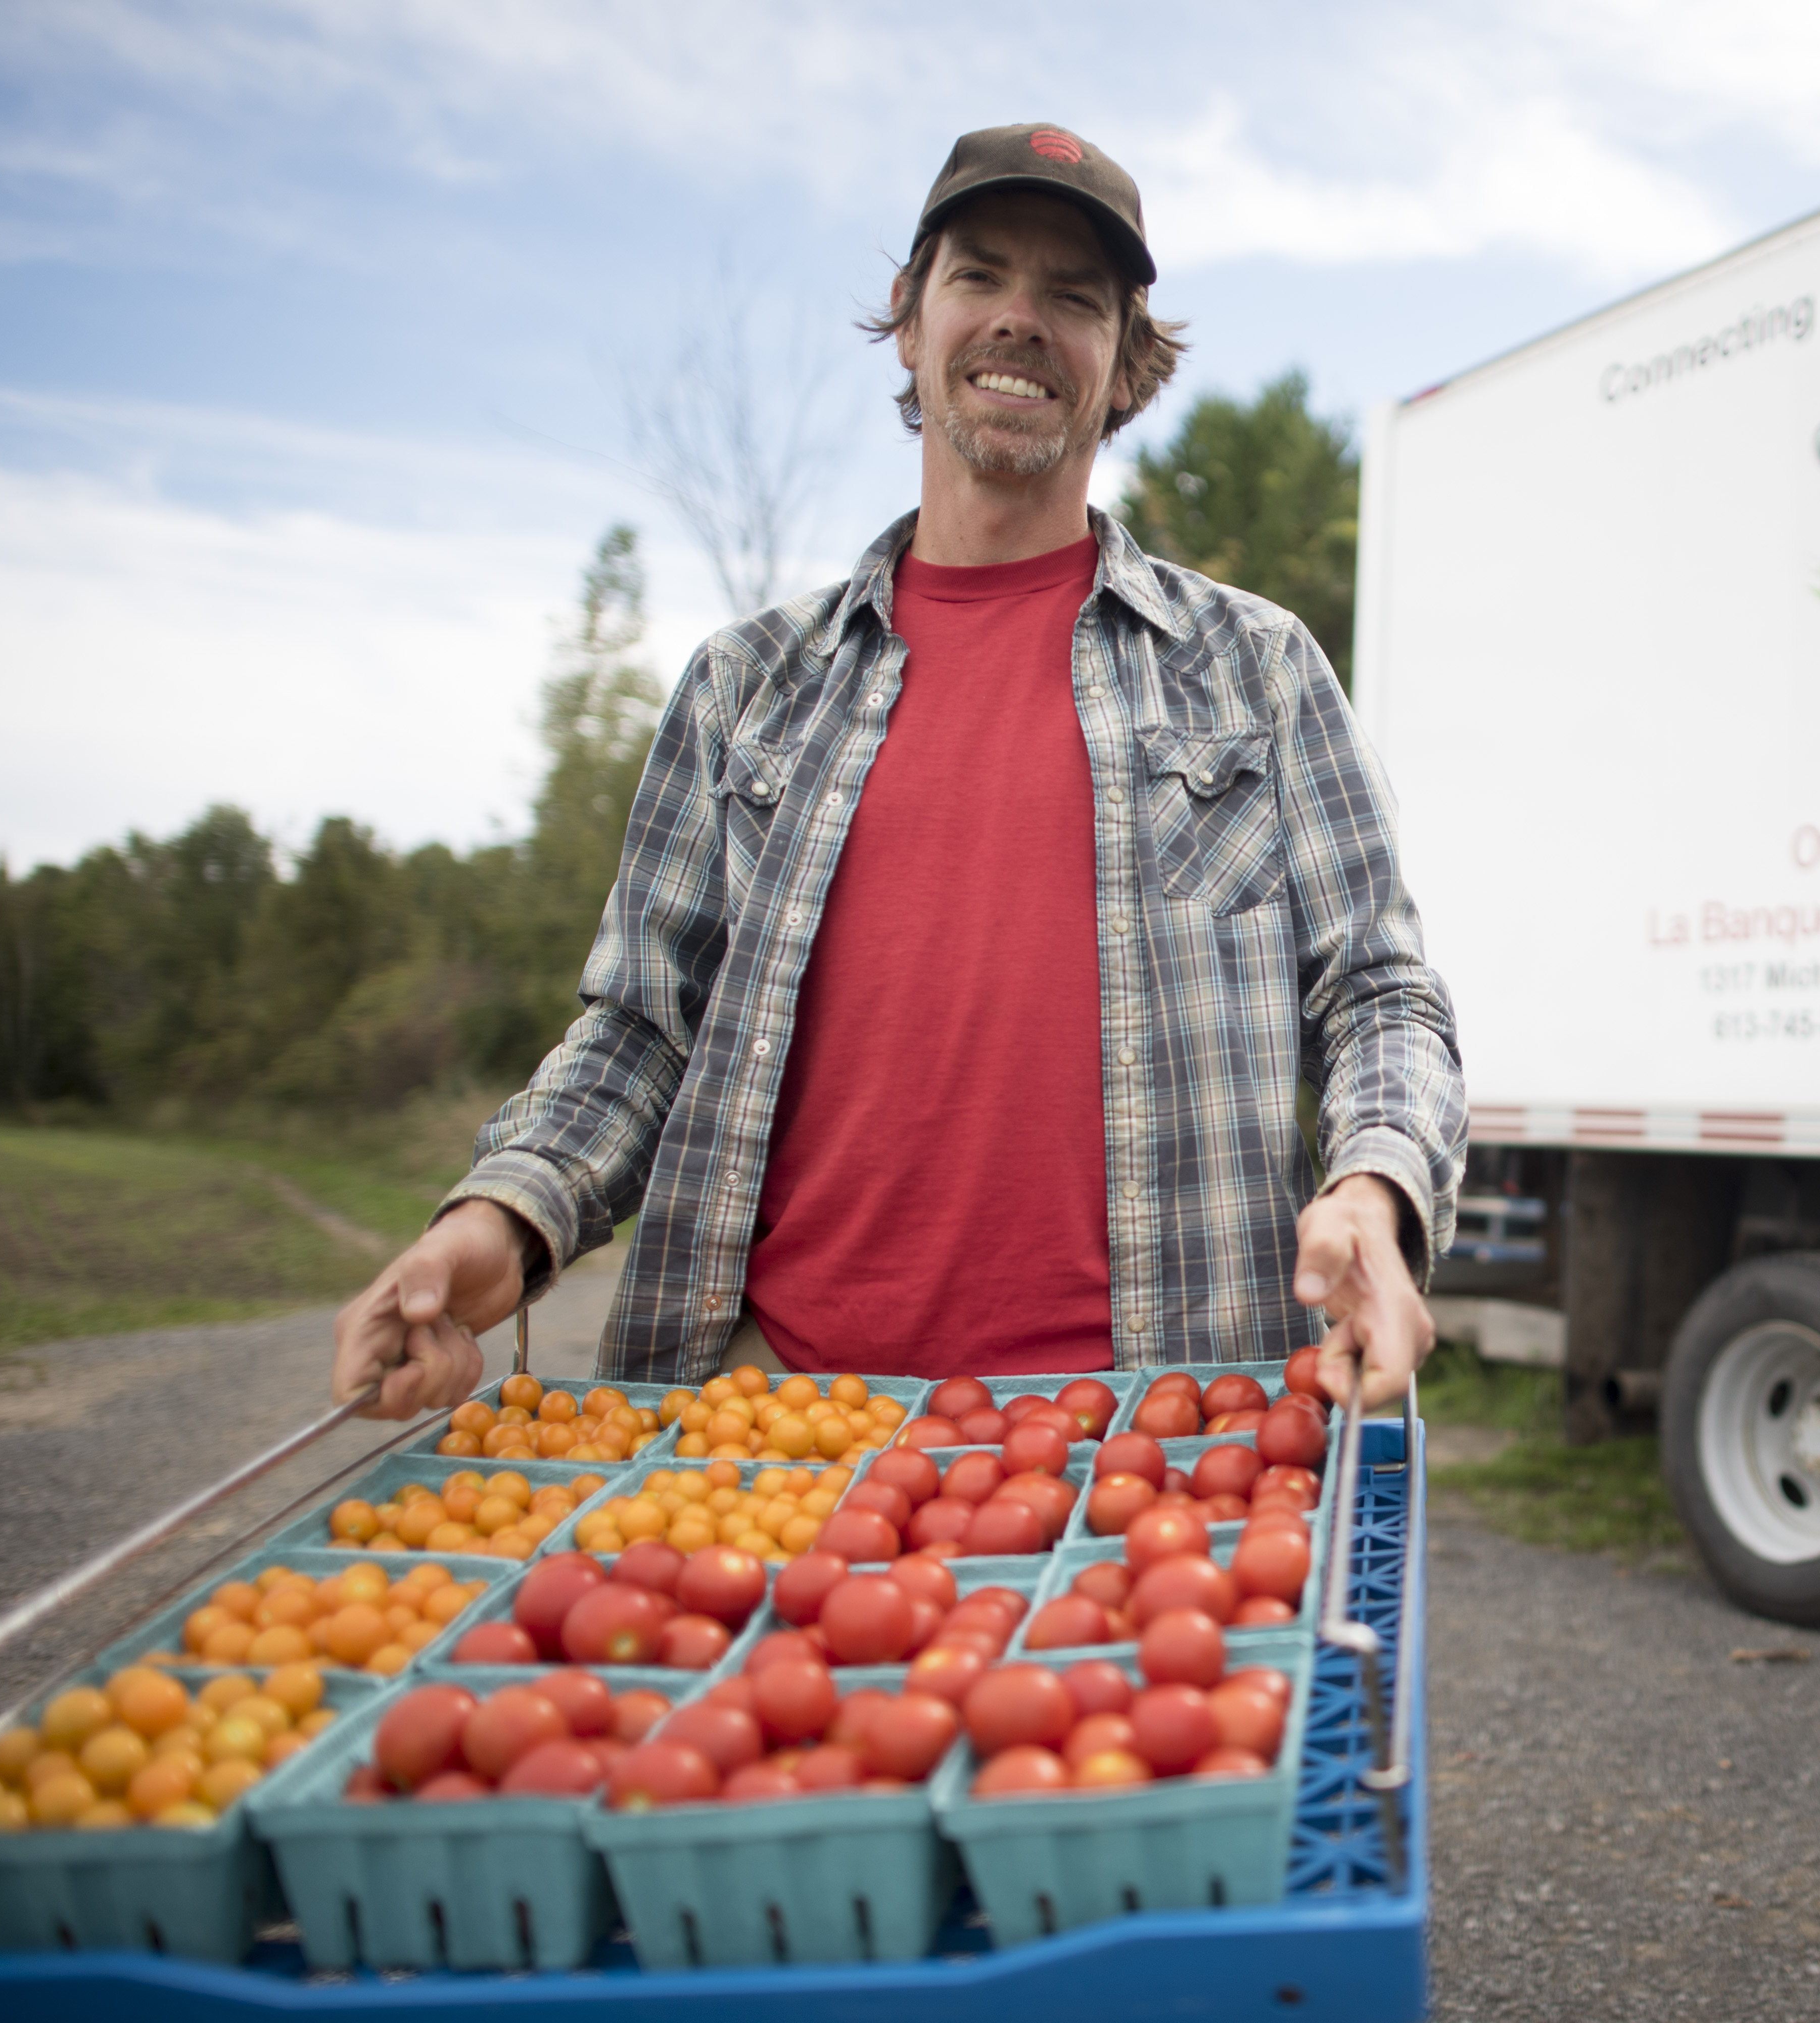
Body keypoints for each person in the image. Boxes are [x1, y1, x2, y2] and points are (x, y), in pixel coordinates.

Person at [328, 122, 1462, 1421]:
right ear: (911, 321)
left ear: (1126, 366)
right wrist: (494, 1226)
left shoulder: (1255, 670)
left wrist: (1374, 1188)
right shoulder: (746, 687)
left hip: (1153, 1435)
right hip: (772, 1422)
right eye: (980, 276)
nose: (1021, 321)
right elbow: (639, 1033)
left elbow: (1381, 994)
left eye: (1076, 299)